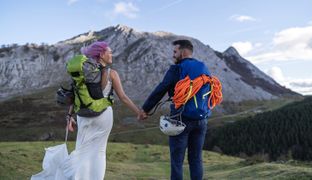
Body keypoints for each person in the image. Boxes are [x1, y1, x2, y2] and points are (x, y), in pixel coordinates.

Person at [32, 41, 146, 180]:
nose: (111, 54)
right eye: (109, 52)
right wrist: (138, 112)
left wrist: (69, 116)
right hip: (103, 116)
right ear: (101, 54)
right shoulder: (111, 73)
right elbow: (123, 97)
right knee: (99, 152)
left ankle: (69, 174)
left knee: (81, 150)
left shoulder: (82, 72)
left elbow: (75, 95)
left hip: (83, 117)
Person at [141, 40, 221, 180]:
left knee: (177, 161)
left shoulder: (176, 69)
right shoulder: (204, 68)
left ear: (183, 52)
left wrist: (145, 109)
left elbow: (161, 89)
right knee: (196, 158)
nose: (173, 55)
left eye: (175, 52)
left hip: (180, 119)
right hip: (201, 120)